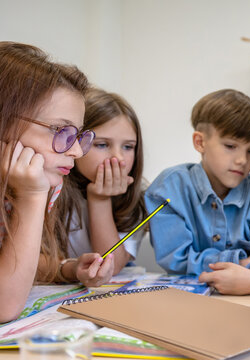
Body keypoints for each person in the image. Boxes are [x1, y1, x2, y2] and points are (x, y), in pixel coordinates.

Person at [0, 42, 114, 322]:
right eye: (60, 130)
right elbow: (4, 306)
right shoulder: (32, 189)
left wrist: (68, 268)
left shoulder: (30, 184)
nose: (76, 151)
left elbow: (11, 259)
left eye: (78, 136)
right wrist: (31, 198)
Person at [145, 89, 250, 295]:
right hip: (188, 303)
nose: (242, 160)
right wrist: (240, 262)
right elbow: (175, 258)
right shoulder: (168, 187)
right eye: (230, 146)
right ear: (200, 142)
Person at [61, 88, 146, 275]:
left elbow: (111, 267)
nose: (118, 157)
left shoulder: (138, 197)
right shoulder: (50, 187)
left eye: (128, 147)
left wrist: (100, 199)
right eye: (102, 144)